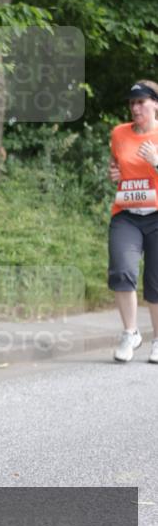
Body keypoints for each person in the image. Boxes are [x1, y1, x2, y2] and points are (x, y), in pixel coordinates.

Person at [107, 80, 158, 363]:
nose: (135, 108)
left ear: (155, 104)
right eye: (132, 103)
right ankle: (130, 333)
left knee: (156, 281)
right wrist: (113, 175)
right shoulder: (119, 133)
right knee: (122, 270)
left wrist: (156, 161)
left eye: (141, 102)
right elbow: (116, 167)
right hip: (126, 214)